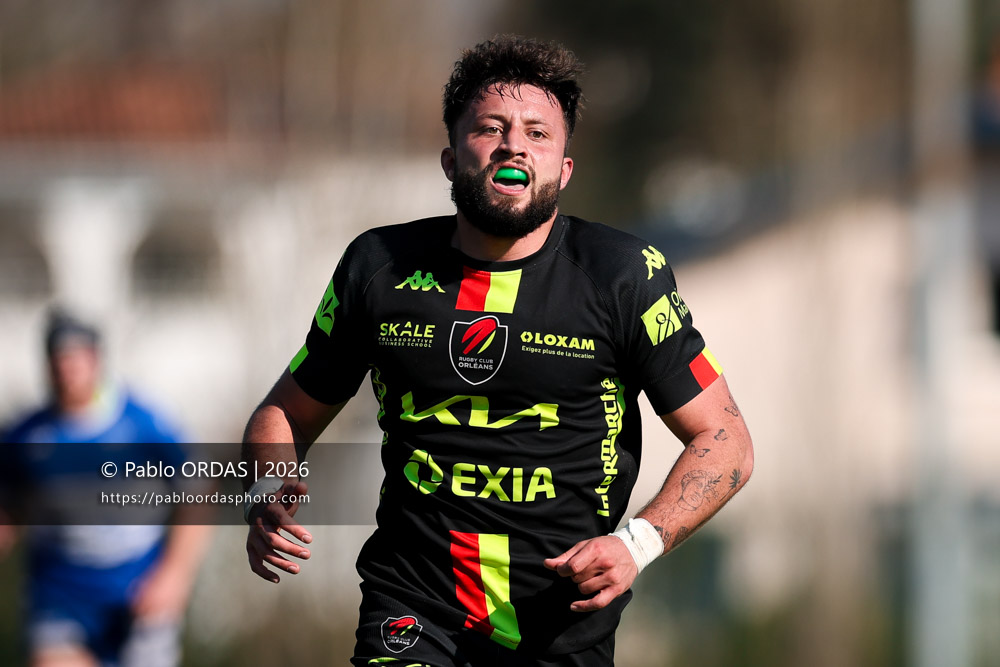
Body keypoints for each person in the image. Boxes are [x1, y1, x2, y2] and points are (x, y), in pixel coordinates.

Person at [242, 35, 753, 667]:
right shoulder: (378, 267)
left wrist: (636, 545)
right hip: (413, 603)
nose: (514, 145)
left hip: (559, 627)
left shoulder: (623, 275)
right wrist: (267, 482)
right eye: (492, 127)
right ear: (451, 159)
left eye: (538, 133)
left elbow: (725, 439)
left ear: (564, 169)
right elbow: (283, 413)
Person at [1, 310, 209, 667]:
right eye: (58, 360)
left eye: (76, 359)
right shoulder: (25, 436)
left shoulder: (144, 423)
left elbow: (199, 495)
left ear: (96, 360)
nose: (68, 371)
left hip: (137, 593)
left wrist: (174, 576)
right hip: (60, 596)